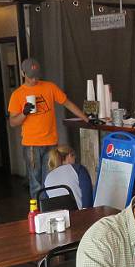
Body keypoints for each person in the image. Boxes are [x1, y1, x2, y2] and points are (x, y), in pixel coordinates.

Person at [7, 57, 89, 198]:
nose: (34, 80)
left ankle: (49, 211)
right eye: (31, 77)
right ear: (23, 74)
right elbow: (13, 122)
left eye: (36, 76)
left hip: (51, 143)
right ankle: (38, 214)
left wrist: (85, 118)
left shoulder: (49, 87)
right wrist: (24, 113)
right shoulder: (17, 95)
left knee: (50, 180)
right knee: (36, 184)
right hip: (31, 145)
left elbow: (67, 103)